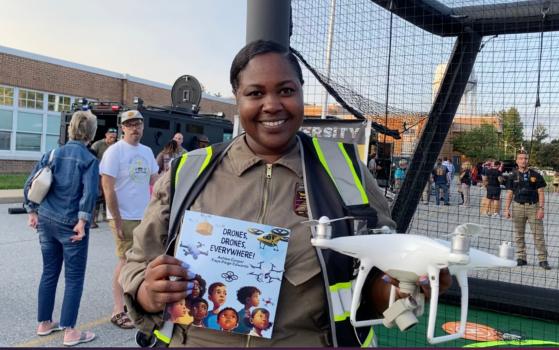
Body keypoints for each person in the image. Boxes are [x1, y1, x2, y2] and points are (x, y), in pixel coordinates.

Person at [119, 40, 450, 347]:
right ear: (237, 97)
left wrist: (404, 285)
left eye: (286, 90)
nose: (272, 105)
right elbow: (137, 263)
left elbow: (380, 278)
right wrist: (148, 292)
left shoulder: (346, 172)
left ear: (302, 93)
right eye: (255, 93)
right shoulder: (188, 172)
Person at [24, 111, 99, 347]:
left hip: (46, 219)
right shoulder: (89, 160)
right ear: (91, 133)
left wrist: (32, 211)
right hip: (70, 224)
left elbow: (31, 183)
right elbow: (89, 194)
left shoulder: (53, 153)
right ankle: (70, 332)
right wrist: (83, 222)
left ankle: (44, 323)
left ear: (70, 129)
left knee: (49, 273)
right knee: (74, 278)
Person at [100, 110, 159, 329]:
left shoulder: (147, 151)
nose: (135, 128)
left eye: (138, 124)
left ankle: (137, 303)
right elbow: (107, 186)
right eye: (130, 124)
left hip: (144, 216)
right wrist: (116, 218)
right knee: (125, 262)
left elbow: (155, 182)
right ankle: (118, 310)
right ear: (123, 127)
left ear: (143, 127)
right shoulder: (115, 152)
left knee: (144, 262)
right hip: (123, 216)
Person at [504, 151, 551, 270]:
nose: (523, 160)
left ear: (528, 160)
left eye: (525, 158)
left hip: (533, 207)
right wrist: (506, 209)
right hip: (517, 207)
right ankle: (521, 257)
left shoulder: (536, 175)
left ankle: (543, 259)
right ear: (517, 161)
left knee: (538, 234)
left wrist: (541, 208)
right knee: (519, 234)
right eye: (520, 158)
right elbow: (509, 193)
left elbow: (541, 192)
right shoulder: (512, 176)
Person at [89, 127, 118, 228]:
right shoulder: (97, 145)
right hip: (98, 173)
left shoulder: (116, 146)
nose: (112, 139)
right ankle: (93, 219)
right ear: (106, 135)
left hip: (110, 173)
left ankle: (107, 216)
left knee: (109, 194)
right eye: (111, 137)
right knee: (96, 195)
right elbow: (90, 157)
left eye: (114, 137)